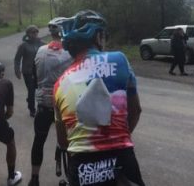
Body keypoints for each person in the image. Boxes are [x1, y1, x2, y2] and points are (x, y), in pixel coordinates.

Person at [52, 10, 145, 185]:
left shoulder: (59, 84)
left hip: (81, 165)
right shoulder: (119, 59)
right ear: (98, 37)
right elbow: (136, 110)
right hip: (120, 157)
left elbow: (63, 141)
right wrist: (117, 137)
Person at [28, 18, 73, 186]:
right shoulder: (70, 52)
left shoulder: (40, 50)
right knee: (71, 141)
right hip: (64, 102)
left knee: (39, 140)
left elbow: (34, 75)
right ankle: (72, 177)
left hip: (44, 103)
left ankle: (34, 178)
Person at [15, 26, 43, 107]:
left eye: (36, 32)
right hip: (28, 71)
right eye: (32, 32)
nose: (35, 34)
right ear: (28, 34)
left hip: (39, 71)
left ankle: (39, 106)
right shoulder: (23, 45)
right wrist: (17, 70)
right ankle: (32, 109)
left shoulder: (42, 44)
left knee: (40, 90)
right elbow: (17, 59)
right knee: (31, 90)